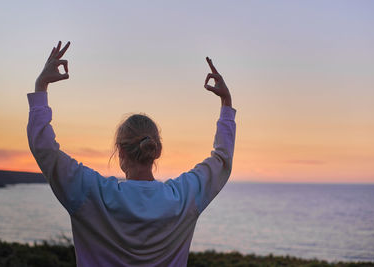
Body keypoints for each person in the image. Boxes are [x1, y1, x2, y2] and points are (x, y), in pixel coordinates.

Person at [27, 41, 236, 267]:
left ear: (121, 151)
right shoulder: (183, 197)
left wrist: (41, 86)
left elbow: (45, 149)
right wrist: (226, 103)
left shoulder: (91, 192)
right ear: (157, 151)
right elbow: (222, 160)